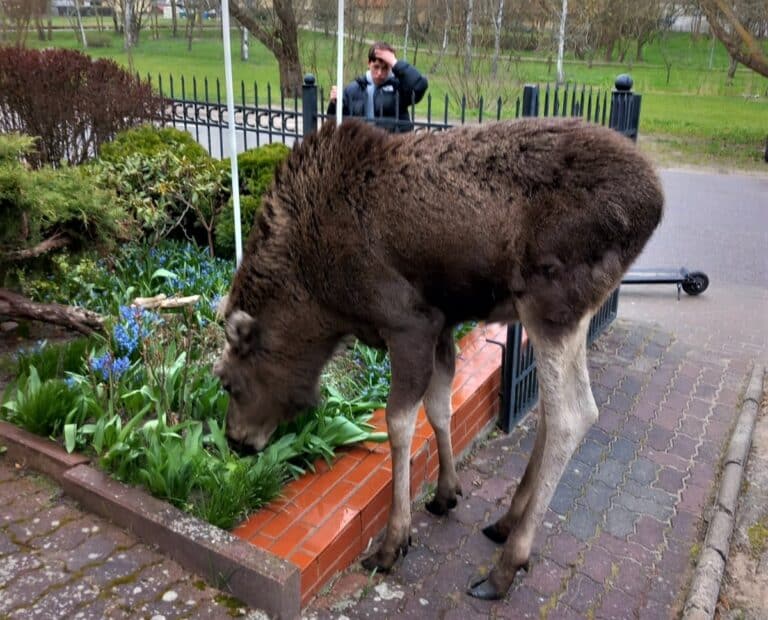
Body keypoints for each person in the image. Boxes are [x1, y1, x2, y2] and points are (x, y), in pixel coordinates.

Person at [327, 42, 428, 133]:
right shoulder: (353, 89)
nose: (380, 73)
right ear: (368, 64)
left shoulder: (399, 87)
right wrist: (334, 103)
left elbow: (419, 86)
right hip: (363, 148)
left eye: (385, 68)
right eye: (376, 67)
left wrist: (395, 62)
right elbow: (335, 122)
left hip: (394, 148)